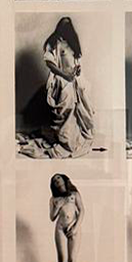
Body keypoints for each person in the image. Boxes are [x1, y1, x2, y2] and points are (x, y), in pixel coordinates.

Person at [18, 175, 108, 262]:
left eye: (58, 179)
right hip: (60, 229)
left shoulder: (74, 194)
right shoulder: (53, 199)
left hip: (74, 228)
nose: (57, 182)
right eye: (54, 181)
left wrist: (76, 227)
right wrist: (58, 206)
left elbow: (82, 211)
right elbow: (52, 217)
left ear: (64, 180)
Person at [43, 16, 95, 157]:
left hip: (74, 79)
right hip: (61, 79)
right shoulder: (53, 43)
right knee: (67, 100)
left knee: (82, 98)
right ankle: (65, 140)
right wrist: (64, 75)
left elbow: (77, 62)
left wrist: (77, 70)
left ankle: (77, 137)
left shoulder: (72, 43)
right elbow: (49, 63)